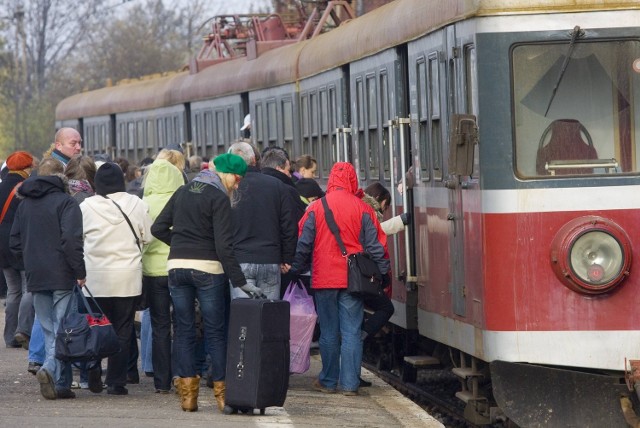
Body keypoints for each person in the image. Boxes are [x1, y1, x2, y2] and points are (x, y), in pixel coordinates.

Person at [151, 153, 260, 413]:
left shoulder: (182, 191)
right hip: (208, 270)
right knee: (215, 332)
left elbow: (157, 228)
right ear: (228, 175)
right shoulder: (218, 197)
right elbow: (224, 247)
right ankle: (224, 398)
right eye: (237, 180)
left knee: (185, 331)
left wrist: (179, 246)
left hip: (176, 269)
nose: (236, 186)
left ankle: (188, 399)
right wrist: (241, 282)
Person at [291, 162, 390, 396]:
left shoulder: (316, 208)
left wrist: (295, 268)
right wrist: (383, 272)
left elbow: (303, 243)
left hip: (324, 278)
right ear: (353, 180)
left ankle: (327, 381)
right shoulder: (363, 209)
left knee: (328, 332)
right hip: (353, 279)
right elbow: (377, 247)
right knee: (352, 332)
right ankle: (349, 385)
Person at [10, 157, 86, 400]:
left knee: (49, 329)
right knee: (63, 329)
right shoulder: (67, 203)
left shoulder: (24, 205)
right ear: (61, 178)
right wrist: (80, 271)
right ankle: (50, 371)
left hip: (36, 275)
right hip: (62, 274)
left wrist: (29, 263)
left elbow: (15, 242)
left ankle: (60, 384)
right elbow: (72, 241)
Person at [80, 162, 153, 396]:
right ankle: (116, 381)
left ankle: (92, 369)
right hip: (127, 277)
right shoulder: (137, 203)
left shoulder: (86, 206)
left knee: (95, 328)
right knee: (123, 328)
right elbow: (148, 237)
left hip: (94, 279)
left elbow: (76, 237)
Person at [227, 141, 298, 300]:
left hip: (240, 260)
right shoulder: (276, 185)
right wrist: (286, 257)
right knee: (268, 317)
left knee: (244, 320)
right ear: (254, 160)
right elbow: (288, 225)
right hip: (270, 259)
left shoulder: (229, 188)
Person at [141, 157, 185, 393]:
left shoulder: (143, 203)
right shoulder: (181, 200)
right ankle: (181, 374)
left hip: (153, 272)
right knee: (181, 324)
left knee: (159, 326)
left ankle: (161, 381)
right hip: (178, 267)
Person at [0, 151, 35, 349]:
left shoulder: (1, 186)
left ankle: (10, 337)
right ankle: (24, 330)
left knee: (13, 290)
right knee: (28, 288)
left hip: (2, 247)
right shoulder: (26, 187)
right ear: (26, 168)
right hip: (20, 243)